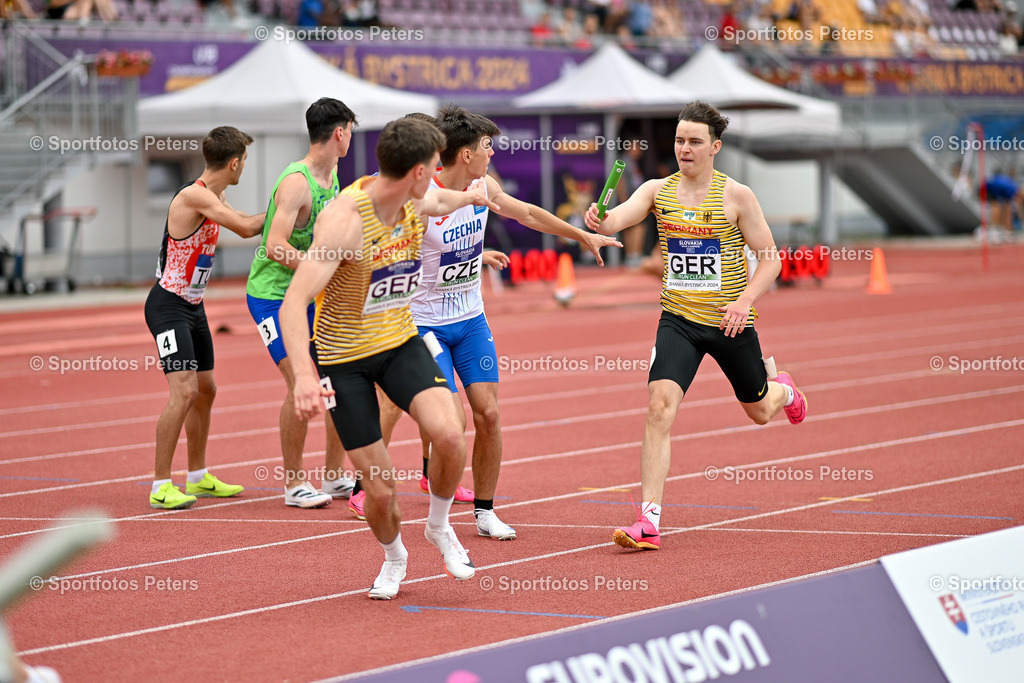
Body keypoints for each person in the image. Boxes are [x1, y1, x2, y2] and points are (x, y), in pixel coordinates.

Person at [281, 117, 500, 599]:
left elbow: (445, 199)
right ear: (418, 171)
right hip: (346, 360)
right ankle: (394, 555)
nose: (440, 174)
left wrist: (472, 196)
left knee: (450, 433)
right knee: (381, 493)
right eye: (435, 166)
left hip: (399, 342)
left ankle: (439, 527)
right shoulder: (345, 221)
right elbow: (293, 303)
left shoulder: (418, 198)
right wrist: (302, 377)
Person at [379, 105, 621, 542]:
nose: (493, 154)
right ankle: (439, 519)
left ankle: (486, 512)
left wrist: (579, 234)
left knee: (488, 415)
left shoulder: (483, 184)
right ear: (465, 154)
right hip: (424, 323)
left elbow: (525, 213)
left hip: (470, 319)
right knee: (452, 422)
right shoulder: (421, 196)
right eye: (487, 146)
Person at [584, 102, 808, 550]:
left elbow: (772, 259)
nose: (684, 149)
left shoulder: (737, 196)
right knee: (659, 407)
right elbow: (617, 217)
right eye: (679, 140)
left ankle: (784, 389)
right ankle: (648, 521)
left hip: (729, 321)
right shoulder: (656, 190)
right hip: (679, 321)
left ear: (715, 147)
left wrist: (745, 301)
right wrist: (596, 219)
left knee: (760, 412)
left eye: (694, 141)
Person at [245, 98, 358, 509]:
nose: (351, 138)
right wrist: (318, 266)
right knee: (300, 383)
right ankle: (293, 484)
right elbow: (274, 246)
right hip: (272, 295)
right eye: (351, 131)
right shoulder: (297, 181)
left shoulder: (334, 176)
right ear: (339, 132)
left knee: (336, 383)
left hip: (311, 293)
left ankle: (332, 475)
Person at [144, 126, 264, 510]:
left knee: (207, 389)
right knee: (184, 391)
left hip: (193, 307)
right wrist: (290, 205)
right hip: (167, 306)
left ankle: (197, 477)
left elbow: (241, 217)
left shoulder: (217, 195)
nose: (244, 166)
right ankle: (161, 485)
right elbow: (247, 228)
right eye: (244, 160)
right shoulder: (194, 196)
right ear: (233, 163)